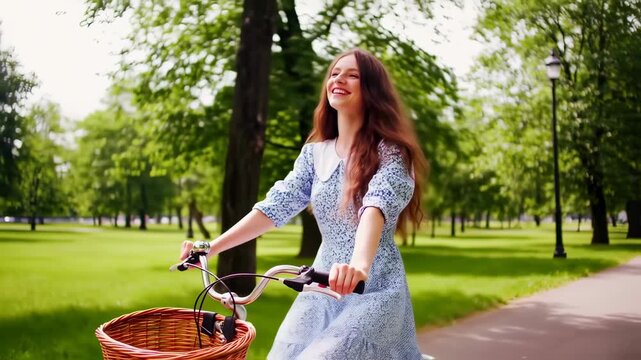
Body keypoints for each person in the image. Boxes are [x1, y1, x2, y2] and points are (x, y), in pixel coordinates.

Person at [181, 48, 428, 359]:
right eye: (335, 73)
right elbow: (275, 206)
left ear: (372, 92)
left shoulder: (390, 153)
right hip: (320, 287)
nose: (339, 79)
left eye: (353, 75)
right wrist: (210, 247)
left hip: (373, 288)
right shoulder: (315, 153)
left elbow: (375, 207)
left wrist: (358, 267)